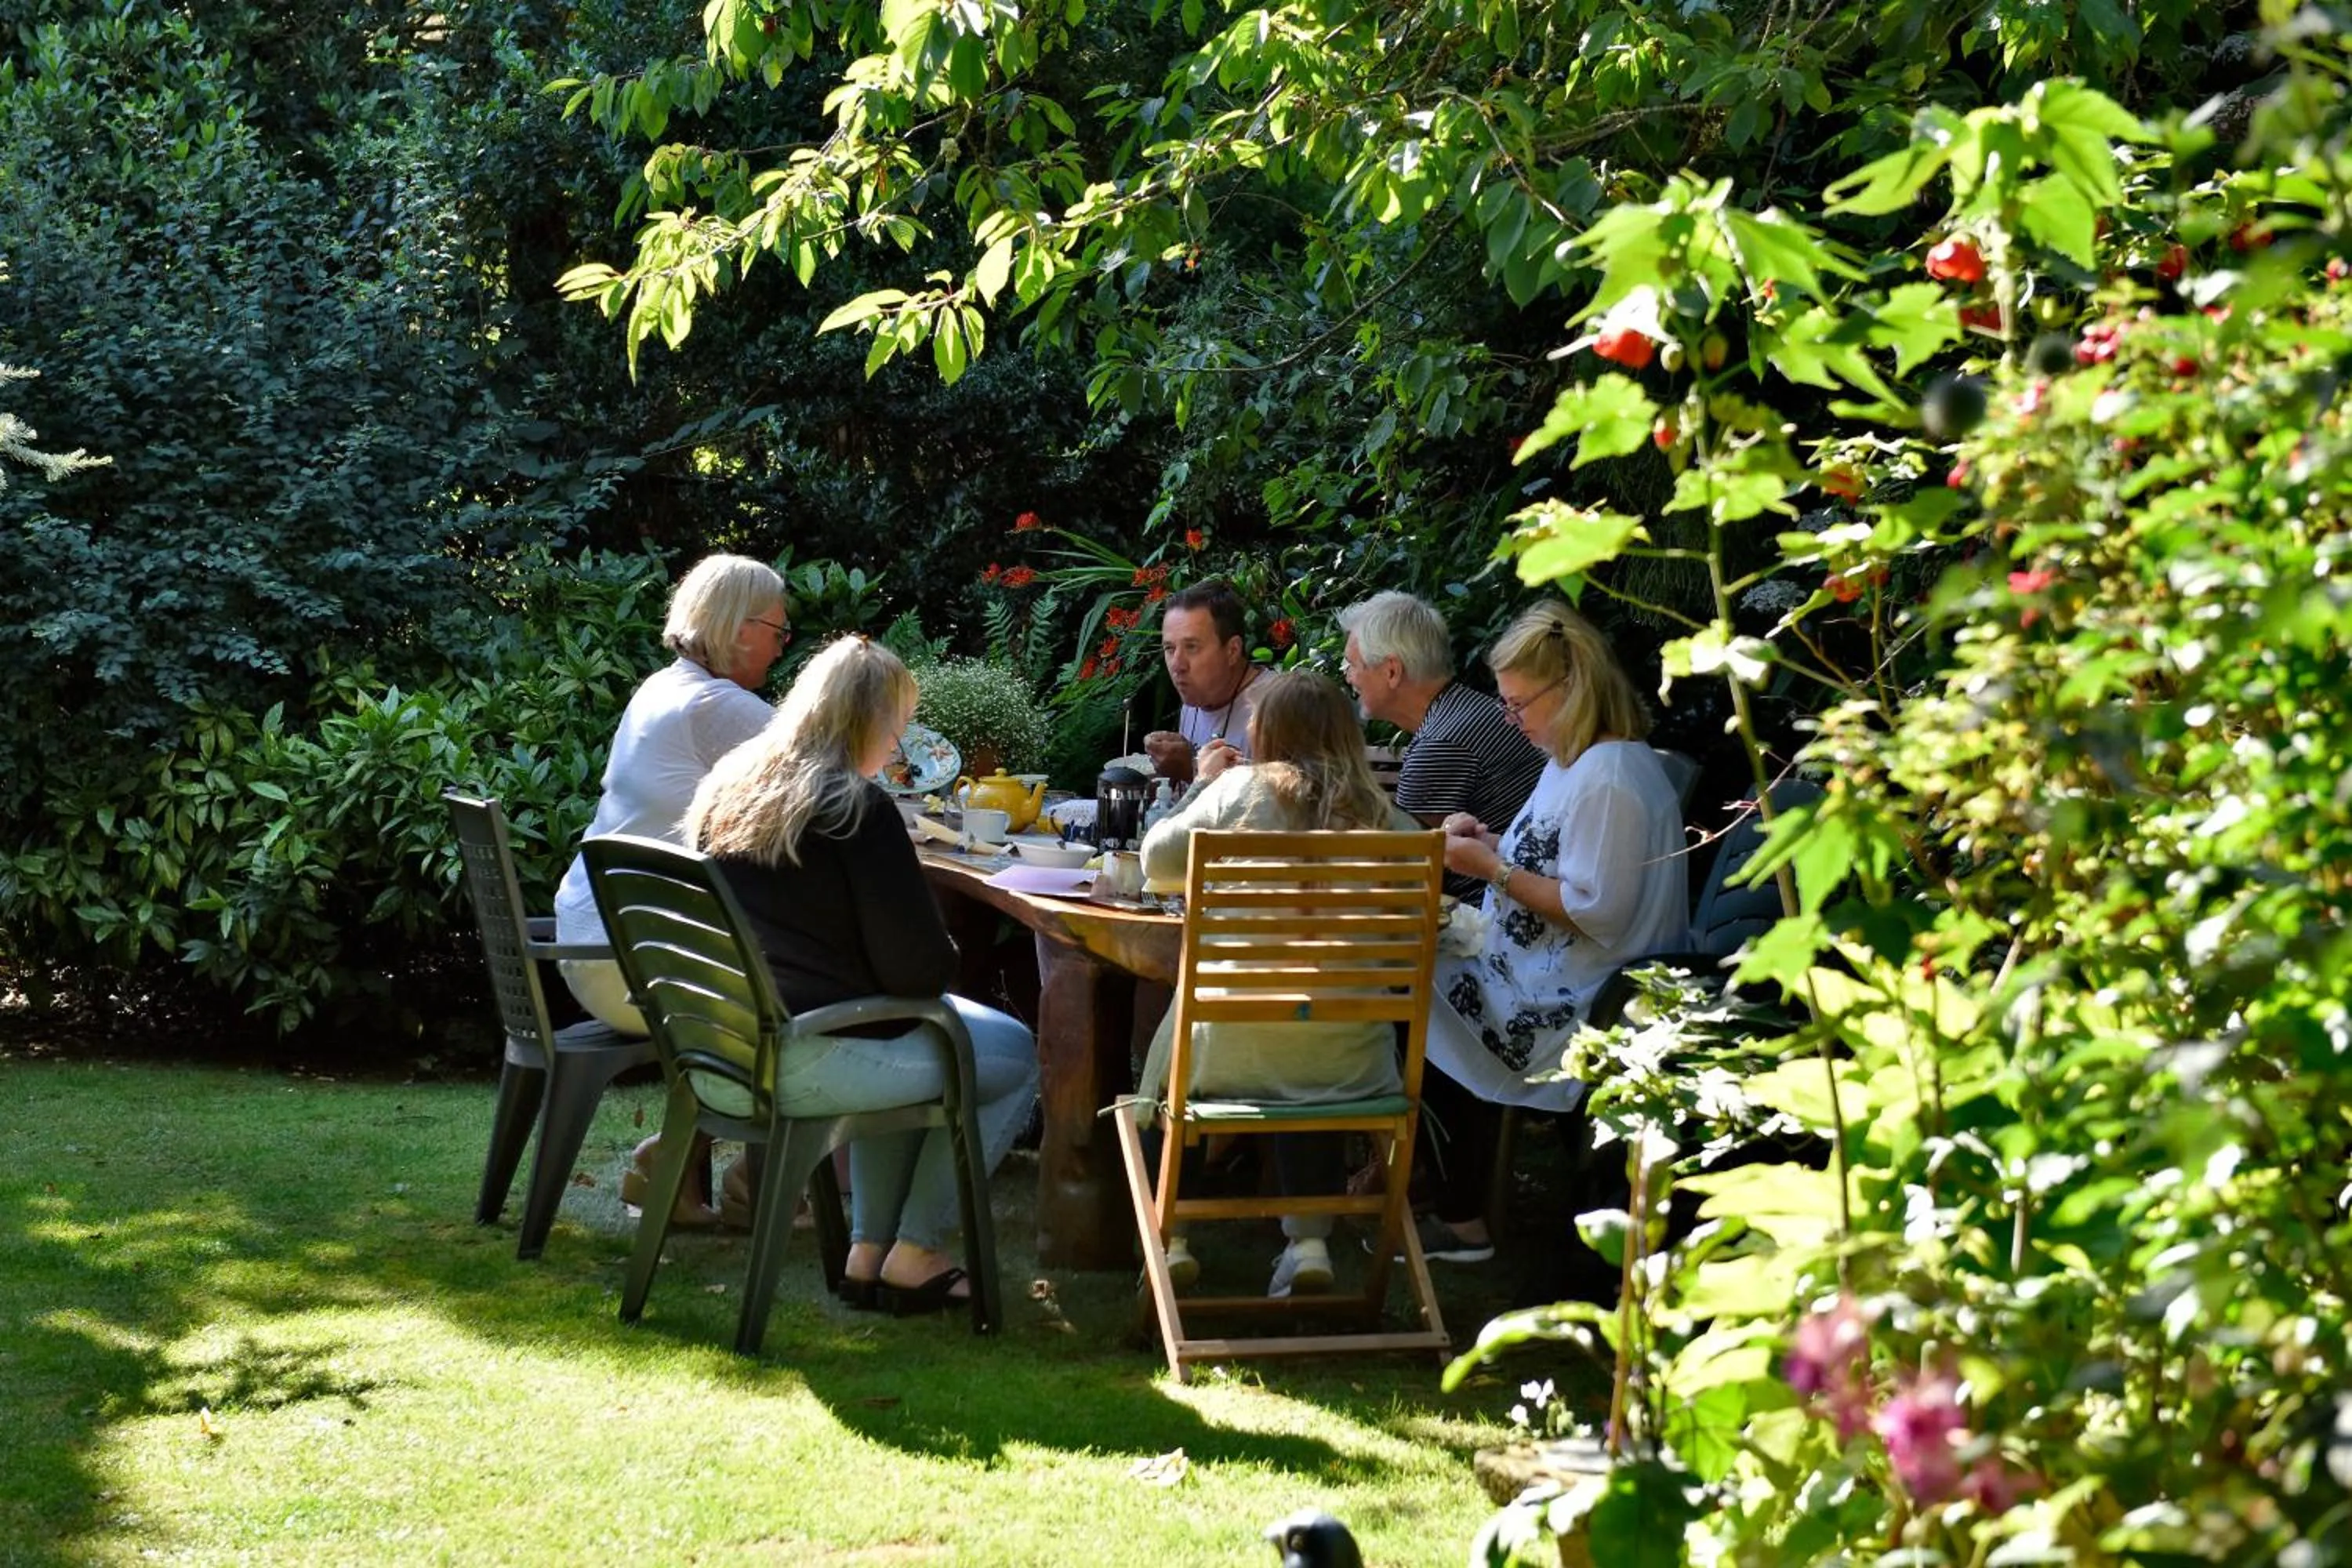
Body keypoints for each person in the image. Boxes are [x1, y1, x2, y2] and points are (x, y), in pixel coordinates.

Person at [683, 636, 1040, 1315]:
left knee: (919, 1040)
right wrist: (945, 949)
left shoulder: (729, 788)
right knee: (1014, 1055)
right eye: (898, 732)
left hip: (724, 1046)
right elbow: (916, 974)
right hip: (815, 1051)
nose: (899, 750)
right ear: (871, 724)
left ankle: (869, 1253)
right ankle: (917, 1250)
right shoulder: (857, 808)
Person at [1134, 669, 1428, 1298]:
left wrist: (1201, 787)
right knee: (1314, 1036)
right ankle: (1311, 1244)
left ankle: (1175, 1237)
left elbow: (1156, 865)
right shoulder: (1389, 821)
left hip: (1225, 1056)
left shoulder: (1238, 791)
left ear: (1264, 732)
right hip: (1356, 1065)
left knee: (1176, 1053)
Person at [1413, 601, 1690, 1265]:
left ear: (1571, 687)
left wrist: (1492, 868)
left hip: (1575, 1000)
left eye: (1519, 704)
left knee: (1408, 990)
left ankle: (1461, 1213)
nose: (1512, 720)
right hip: (1535, 969)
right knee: (1409, 969)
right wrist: (1487, 840)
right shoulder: (1572, 759)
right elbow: (1548, 856)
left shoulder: (1613, 777)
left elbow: (1594, 907)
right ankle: (1443, 1193)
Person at [550, 553, 790, 1226]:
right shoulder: (719, 705)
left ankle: (684, 1170)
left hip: (594, 942)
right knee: (802, 986)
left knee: (761, 967)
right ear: (740, 628)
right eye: (778, 630)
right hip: (630, 964)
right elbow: (829, 783)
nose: (780, 645)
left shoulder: (662, 687)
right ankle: (753, 1179)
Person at [1339, 590, 1547, 899]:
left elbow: (1400, 874)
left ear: (1392, 671)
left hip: (1490, 921)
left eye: (1352, 665)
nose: (1348, 677)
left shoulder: (1439, 744)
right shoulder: (1468, 709)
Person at [1142, 579, 1265, 785]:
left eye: (1191, 647)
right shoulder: (1197, 698)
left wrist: (1193, 769)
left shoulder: (1275, 707)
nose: (1177, 665)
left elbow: (1281, 806)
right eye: (1170, 649)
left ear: (1232, 650)